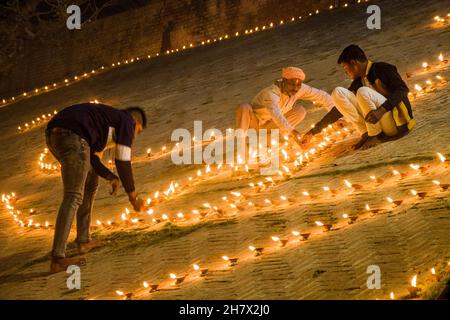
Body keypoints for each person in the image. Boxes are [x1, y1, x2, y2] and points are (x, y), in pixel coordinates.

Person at [45, 102, 146, 273]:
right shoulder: (126, 121)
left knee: (91, 183)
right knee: (74, 195)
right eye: (137, 132)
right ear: (135, 123)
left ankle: (84, 241)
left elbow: (90, 158)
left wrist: (110, 177)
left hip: (54, 135)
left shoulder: (102, 123)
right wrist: (133, 196)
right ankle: (58, 259)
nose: (133, 137)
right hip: (73, 135)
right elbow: (122, 160)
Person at [301, 45, 415, 150]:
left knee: (363, 91)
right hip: (380, 123)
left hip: (396, 124)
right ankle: (366, 133)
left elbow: (402, 90)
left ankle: (375, 135)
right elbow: (338, 111)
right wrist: (313, 131)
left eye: (346, 68)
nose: (346, 73)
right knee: (338, 93)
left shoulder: (383, 68)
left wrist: (381, 110)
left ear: (353, 63)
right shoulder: (359, 81)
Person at [235, 66, 335, 157]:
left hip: (271, 127)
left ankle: (271, 139)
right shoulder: (271, 93)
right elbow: (276, 115)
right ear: (284, 81)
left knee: (300, 111)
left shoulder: (300, 88)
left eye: (298, 85)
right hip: (255, 124)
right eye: (291, 84)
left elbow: (323, 96)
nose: (295, 88)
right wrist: (294, 133)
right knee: (244, 107)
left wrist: (336, 115)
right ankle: (242, 147)